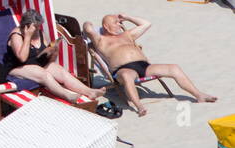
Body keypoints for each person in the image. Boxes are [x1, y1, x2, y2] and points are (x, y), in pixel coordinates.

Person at [84, 14, 217, 116]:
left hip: (144, 66)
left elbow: (146, 24)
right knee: (126, 76)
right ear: (106, 26)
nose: (119, 24)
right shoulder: (101, 40)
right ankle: (139, 106)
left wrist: (127, 17)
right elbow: (87, 28)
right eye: (116, 22)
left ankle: (199, 95)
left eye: (120, 22)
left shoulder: (127, 35)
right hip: (123, 69)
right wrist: (89, 23)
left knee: (173, 68)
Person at [2, 11, 104, 104]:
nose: (38, 29)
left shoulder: (40, 33)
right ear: (27, 26)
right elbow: (22, 58)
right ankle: (67, 96)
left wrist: (53, 51)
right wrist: (28, 36)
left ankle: (90, 92)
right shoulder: (17, 35)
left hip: (36, 63)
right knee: (44, 74)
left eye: (39, 26)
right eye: (36, 27)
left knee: (61, 72)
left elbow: (49, 61)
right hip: (17, 67)